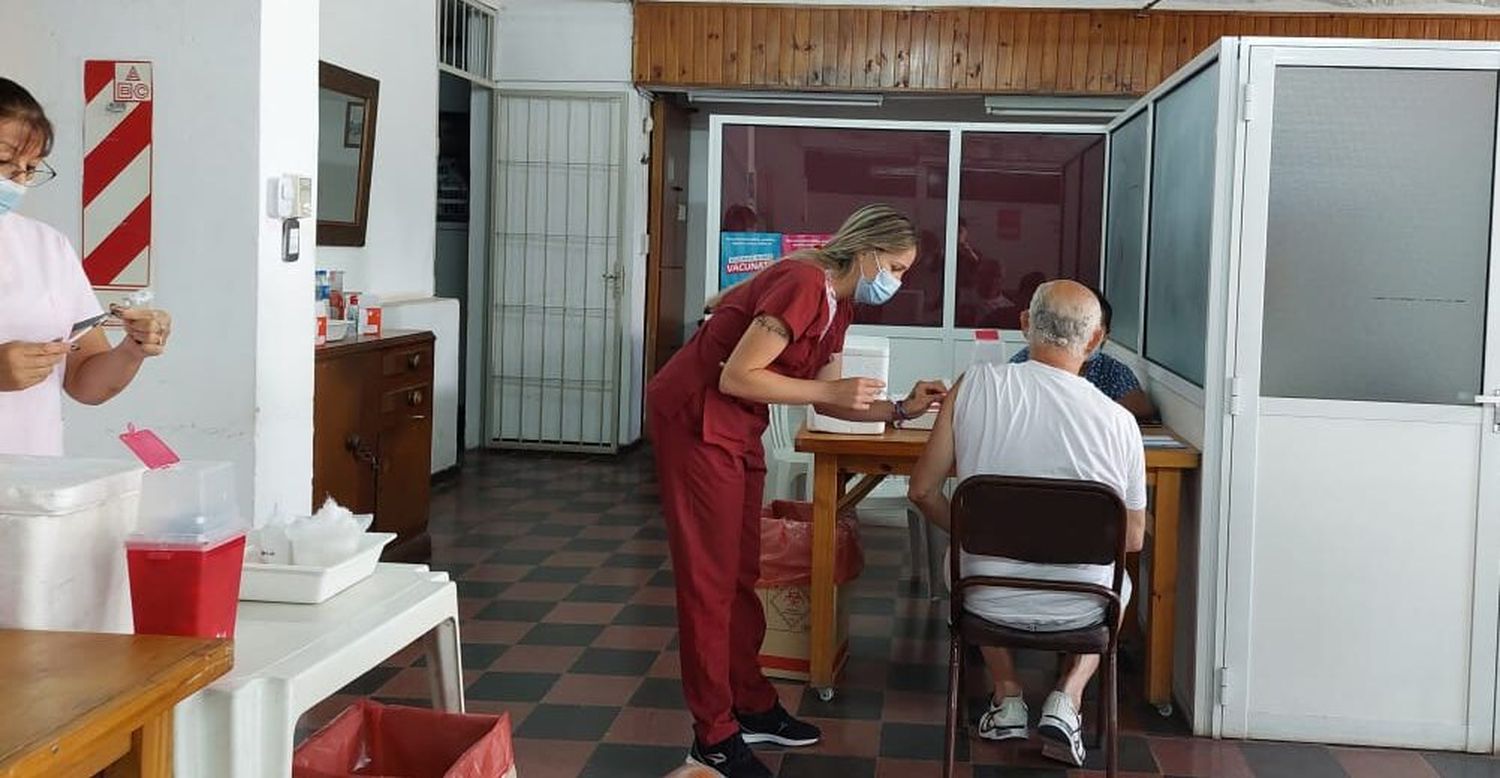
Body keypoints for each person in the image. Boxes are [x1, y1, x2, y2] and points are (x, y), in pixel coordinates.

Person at [649, 204, 948, 778]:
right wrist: (827, 385)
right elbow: (737, 375)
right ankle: (713, 736)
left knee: (742, 571)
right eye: (895, 267)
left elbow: (826, 398)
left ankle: (751, 704)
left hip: (737, 426)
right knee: (708, 582)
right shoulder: (804, 283)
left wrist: (900, 408)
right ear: (864, 252)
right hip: (696, 419)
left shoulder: (839, 307)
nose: (898, 281)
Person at [908, 280, 1146, 768]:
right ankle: (1070, 696)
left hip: (985, 597)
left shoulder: (973, 386)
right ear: (1096, 340)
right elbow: (1134, 537)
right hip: (1085, 609)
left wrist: (973, 535)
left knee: (961, 557)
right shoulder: (1120, 423)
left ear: (1023, 324)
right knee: (1120, 579)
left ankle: (1008, 693)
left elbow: (922, 491)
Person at [0, 79, 172, 457]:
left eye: (29, 169)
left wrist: (132, 350)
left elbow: (85, 382)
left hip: (33, 486)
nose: (17, 181)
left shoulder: (47, 247)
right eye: (4, 162)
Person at [1009, 285, 1156, 421]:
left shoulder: (1111, 369)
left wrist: (1086, 413)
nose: (1084, 334)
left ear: (1102, 335)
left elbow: (1140, 406)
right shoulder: (1028, 359)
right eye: (1080, 325)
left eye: (1092, 328)